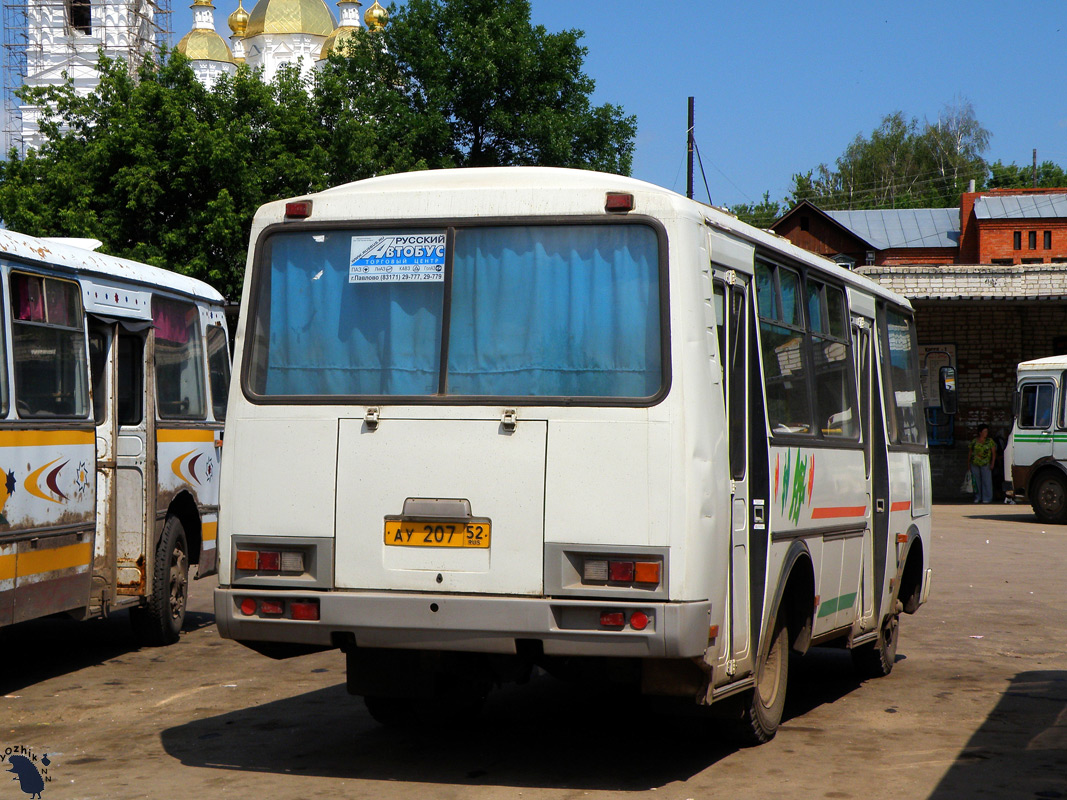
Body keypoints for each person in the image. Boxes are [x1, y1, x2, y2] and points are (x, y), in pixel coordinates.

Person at [967, 424, 997, 504]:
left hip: (985, 463)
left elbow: (994, 453)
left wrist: (992, 463)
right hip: (975, 463)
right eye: (984, 431)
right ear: (980, 432)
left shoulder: (990, 441)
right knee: (976, 481)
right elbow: (970, 452)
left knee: (986, 481)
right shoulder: (974, 441)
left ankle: (987, 498)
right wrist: (968, 463)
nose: (986, 433)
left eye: (987, 431)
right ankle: (978, 497)